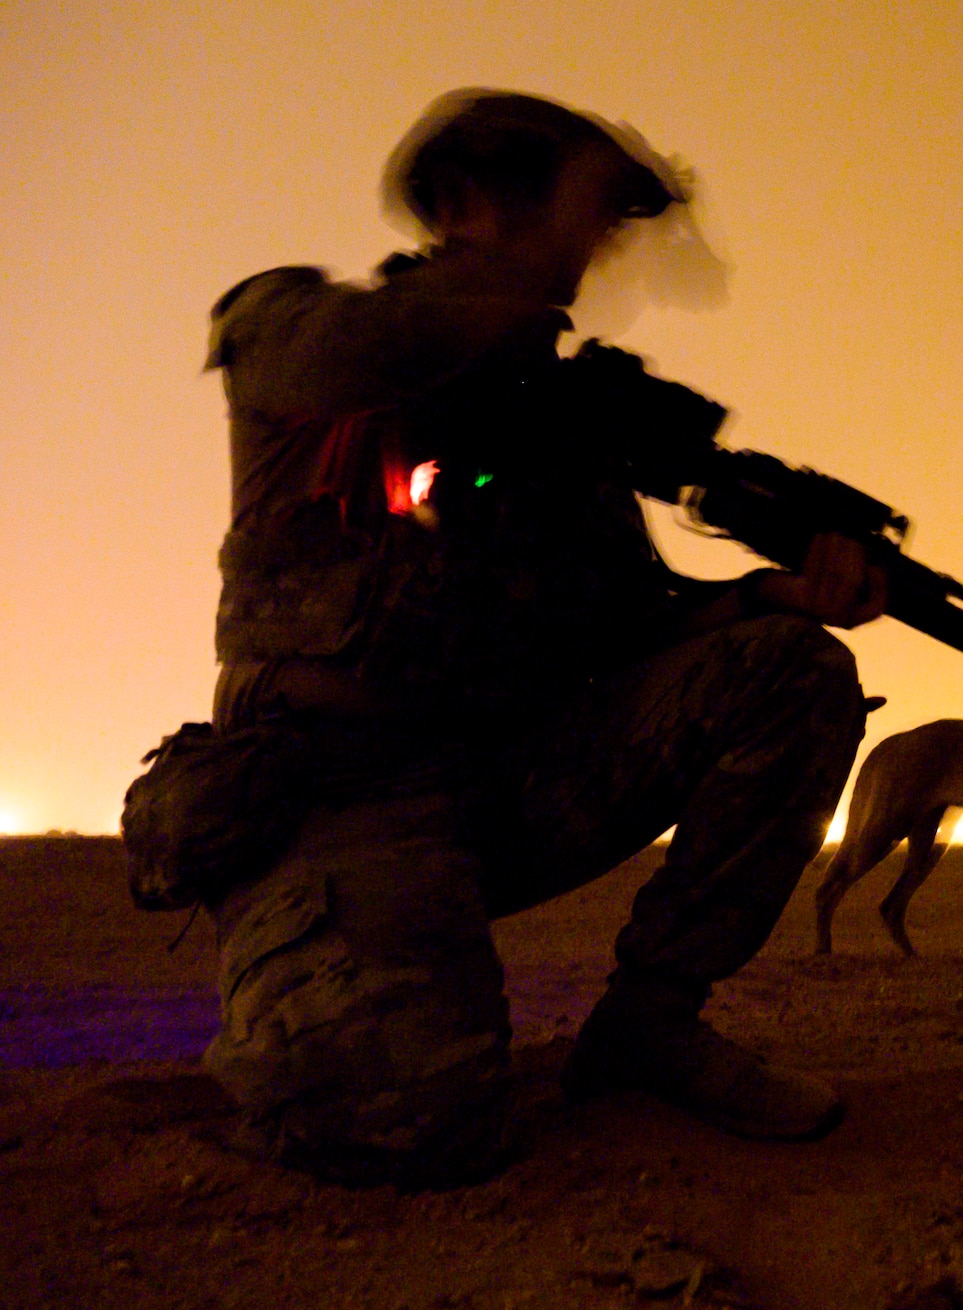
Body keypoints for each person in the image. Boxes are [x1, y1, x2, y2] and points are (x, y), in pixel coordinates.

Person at [193, 89, 888, 1187]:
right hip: (338, 805)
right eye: (580, 208)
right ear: (464, 199)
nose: (593, 246)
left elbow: (637, 633)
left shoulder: (555, 428)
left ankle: (647, 1026)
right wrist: (510, 290)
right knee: (404, 1126)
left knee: (792, 673)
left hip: (501, 791)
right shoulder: (296, 324)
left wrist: (771, 597)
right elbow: (344, 358)